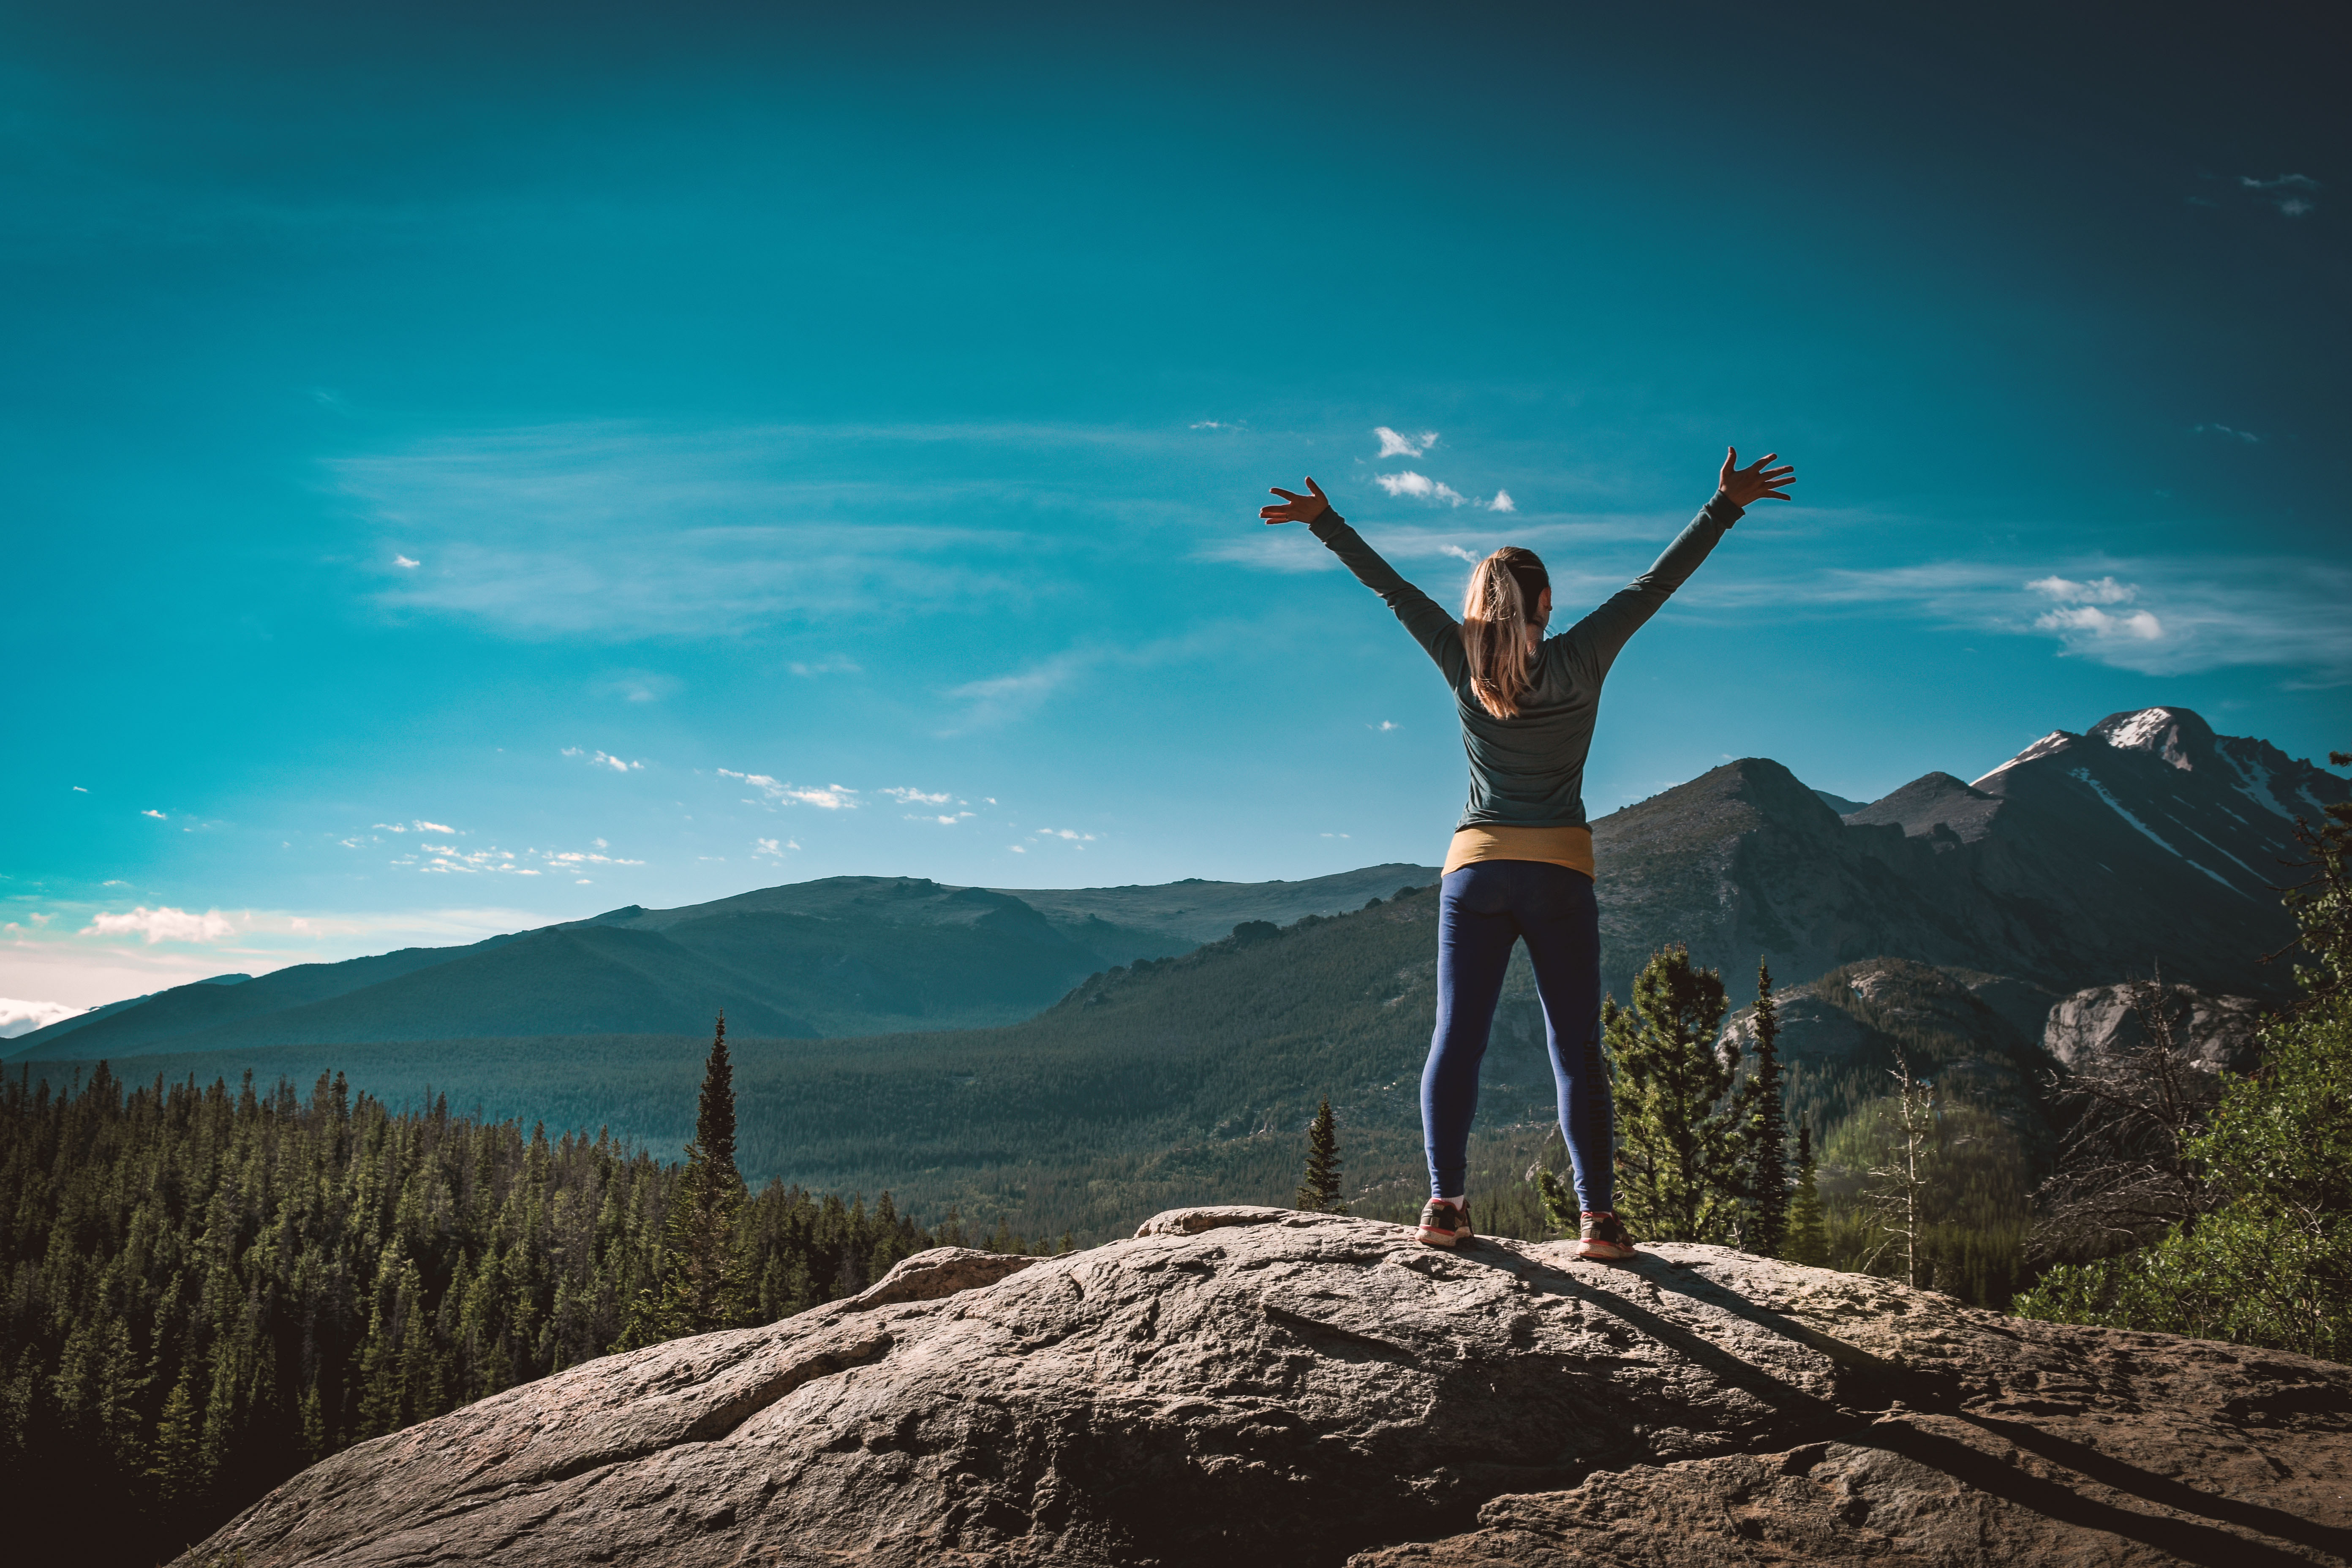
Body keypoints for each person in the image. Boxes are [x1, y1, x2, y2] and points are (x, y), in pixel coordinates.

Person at [1259, 446, 1796, 1258]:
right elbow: (1654, 586)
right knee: (1576, 1048)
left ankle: (1445, 1207)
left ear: (1481, 605)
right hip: (1560, 873)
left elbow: (1394, 591)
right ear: (1546, 601)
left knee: (1456, 1040)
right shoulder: (1583, 657)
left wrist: (1325, 523)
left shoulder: (1460, 660)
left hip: (1474, 871)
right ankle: (1599, 1221)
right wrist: (1724, 506)